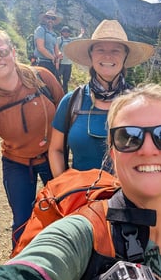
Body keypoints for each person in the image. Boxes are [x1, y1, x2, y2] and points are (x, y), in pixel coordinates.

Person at [0, 83, 161, 280]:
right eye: (129, 136)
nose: (149, 149)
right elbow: (26, 274)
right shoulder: (84, 234)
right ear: (113, 150)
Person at [0, 30, 64, 249]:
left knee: (63, 213)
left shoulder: (42, 78)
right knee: (22, 223)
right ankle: (20, 266)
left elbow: (65, 112)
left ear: (13, 52)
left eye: (2, 51)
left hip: (53, 157)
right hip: (16, 163)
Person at [49, 19, 154, 177]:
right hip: (80, 198)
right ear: (90, 55)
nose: (107, 56)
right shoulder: (71, 101)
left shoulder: (139, 103)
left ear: (125, 57)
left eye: (116, 50)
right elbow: (56, 149)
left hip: (127, 198)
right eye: (100, 49)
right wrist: (63, 190)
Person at [34, 9, 62, 81]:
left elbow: (56, 49)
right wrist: (52, 58)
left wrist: (59, 54)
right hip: (42, 62)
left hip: (51, 63)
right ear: (44, 19)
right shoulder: (40, 29)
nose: (50, 20)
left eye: (52, 18)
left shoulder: (54, 34)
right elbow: (40, 48)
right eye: (48, 18)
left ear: (54, 21)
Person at [56, 25, 84, 93]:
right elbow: (56, 48)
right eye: (64, 31)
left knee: (66, 80)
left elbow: (78, 38)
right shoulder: (59, 39)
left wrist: (82, 33)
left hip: (68, 63)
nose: (66, 33)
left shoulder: (70, 39)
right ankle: (57, 92)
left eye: (68, 32)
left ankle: (65, 93)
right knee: (57, 78)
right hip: (61, 63)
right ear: (62, 32)